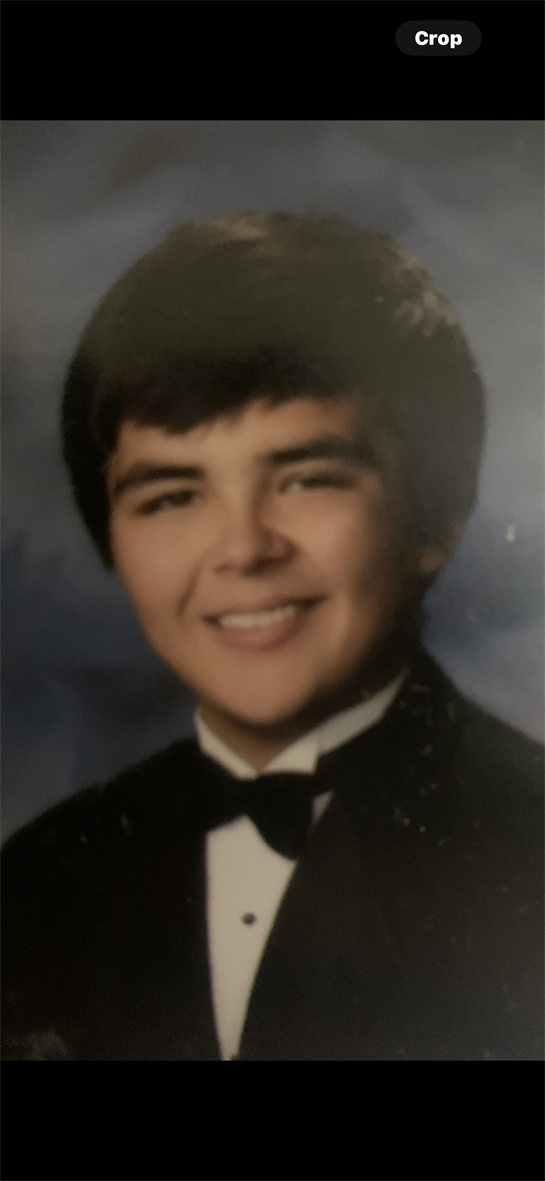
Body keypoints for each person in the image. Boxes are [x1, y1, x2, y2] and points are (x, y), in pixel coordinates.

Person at [1, 212, 543, 1061]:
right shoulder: (38, 878)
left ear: (435, 518)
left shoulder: (527, 840)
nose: (244, 549)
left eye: (307, 479)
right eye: (172, 496)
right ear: (113, 542)